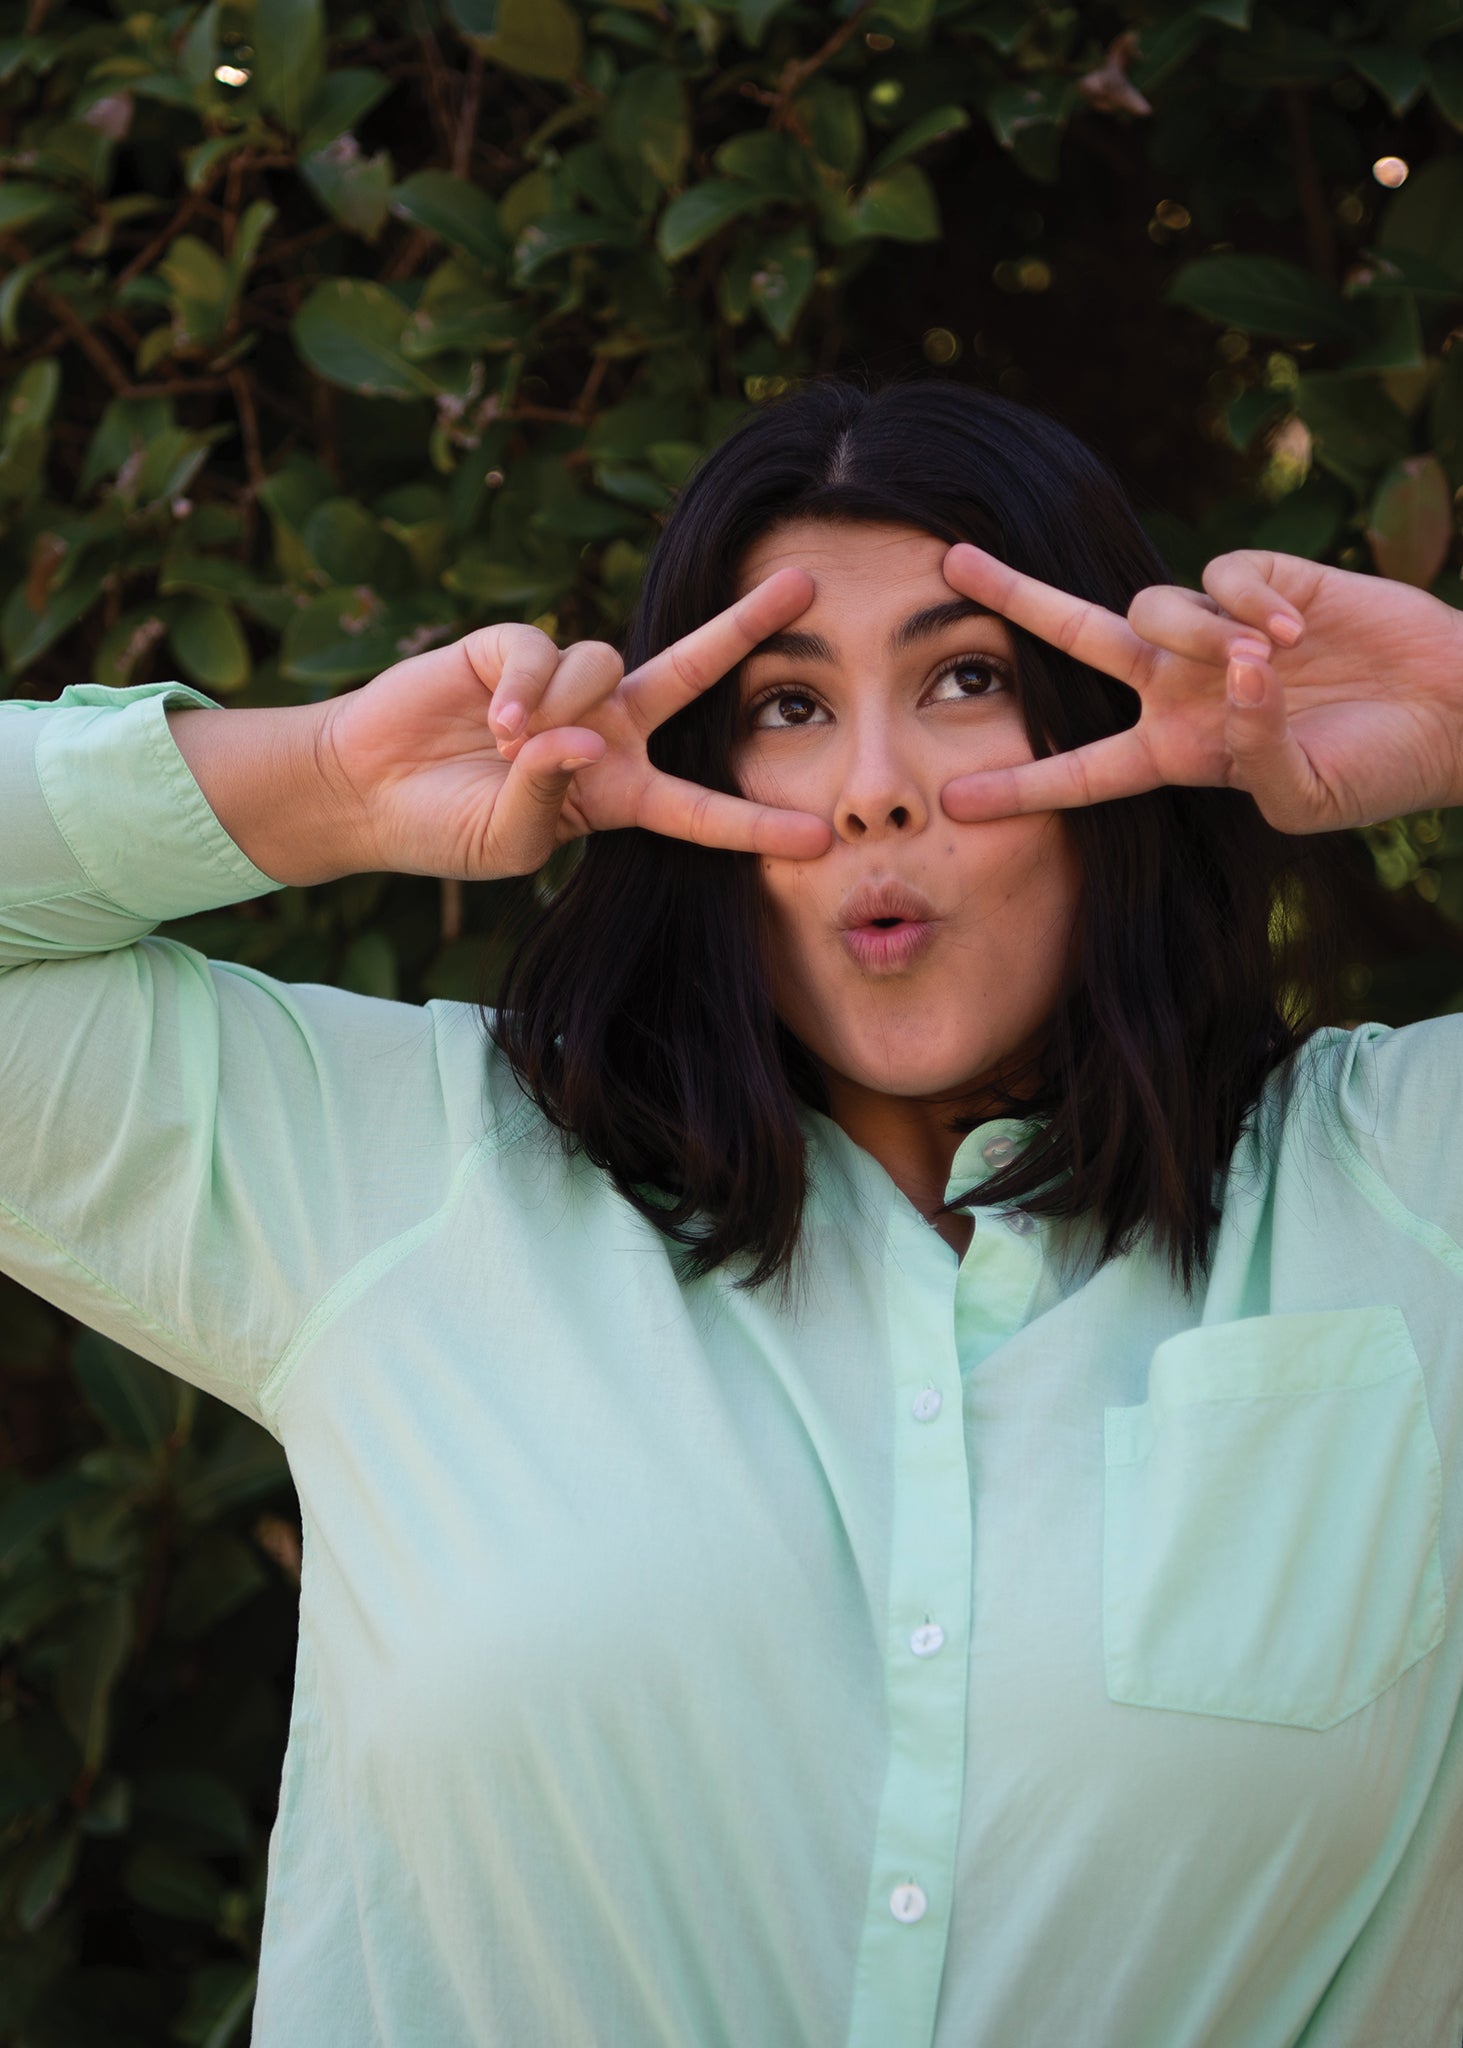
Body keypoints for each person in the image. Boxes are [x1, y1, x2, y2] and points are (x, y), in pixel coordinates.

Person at [2, 377, 1461, 2048]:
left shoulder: (1405, 1190)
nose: (874, 789)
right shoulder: (402, 1174)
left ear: (1107, 732)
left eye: (966, 679)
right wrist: (331, 779)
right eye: (785, 704)